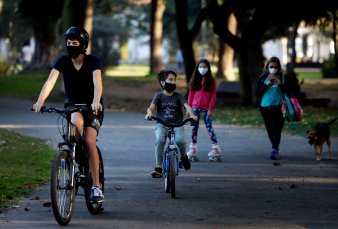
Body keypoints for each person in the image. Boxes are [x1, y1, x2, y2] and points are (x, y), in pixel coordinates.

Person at [32, 26, 104, 202]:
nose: (71, 45)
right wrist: (40, 101)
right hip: (73, 106)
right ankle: (75, 157)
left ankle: (96, 187)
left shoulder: (92, 61)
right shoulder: (63, 61)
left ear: (83, 45)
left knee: (89, 140)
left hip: (93, 107)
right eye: (68, 43)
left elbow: (97, 83)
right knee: (76, 125)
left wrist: (96, 100)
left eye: (75, 43)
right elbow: (50, 80)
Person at [145, 70, 198, 178]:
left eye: (174, 80)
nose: (173, 82)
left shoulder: (179, 96)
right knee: (160, 140)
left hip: (177, 124)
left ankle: (183, 157)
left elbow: (187, 106)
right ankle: (158, 167)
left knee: (180, 141)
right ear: (162, 82)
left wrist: (192, 115)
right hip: (162, 124)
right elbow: (151, 107)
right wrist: (149, 113)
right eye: (170, 79)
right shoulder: (159, 96)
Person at [255, 56, 291, 160]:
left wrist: (279, 84)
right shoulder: (263, 77)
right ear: (267, 66)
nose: (273, 68)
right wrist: (266, 85)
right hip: (265, 108)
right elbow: (257, 93)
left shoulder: (283, 77)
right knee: (270, 130)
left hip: (279, 107)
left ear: (279, 67)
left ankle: (274, 149)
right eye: (271, 66)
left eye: (275, 67)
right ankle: (275, 148)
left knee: (276, 129)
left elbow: (288, 90)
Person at [186, 58, 222, 162]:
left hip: (206, 108)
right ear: (197, 68)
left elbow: (213, 96)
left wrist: (210, 109)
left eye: (204, 67)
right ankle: (193, 148)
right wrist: (189, 109)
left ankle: (216, 148)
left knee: (209, 127)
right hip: (195, 108)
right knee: (194, 128)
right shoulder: (194, 80)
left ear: (208, 68)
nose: (202, 69)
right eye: (200, 67)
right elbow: (190, 95)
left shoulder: (211, 81)